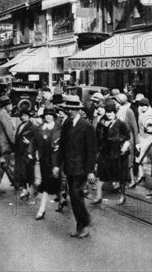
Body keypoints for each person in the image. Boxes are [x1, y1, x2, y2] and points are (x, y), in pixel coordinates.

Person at [53, 95, 97, 239]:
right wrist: (57, 165)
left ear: (78, 110)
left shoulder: (86, 126)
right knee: (74, 196)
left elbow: (91, 150)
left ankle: (83, 224)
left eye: (73, 109)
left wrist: (90, 171)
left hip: (81, 168)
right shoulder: (66, 124)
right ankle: (82, 223)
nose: (70, 111)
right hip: (69, 167)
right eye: (68, 109)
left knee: (76, 196)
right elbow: (62, 146)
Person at [93, 100, 130, 205]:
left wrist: (125, 145)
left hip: (117, 153)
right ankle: (98, 196)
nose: (109, 114)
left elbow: (127, 136)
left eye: (112, 112)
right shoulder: (101, 123)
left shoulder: (120, 124)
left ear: (115, 113)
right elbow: (98, 138)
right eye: (108, 112)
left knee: (120, 176)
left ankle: (122, 196)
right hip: (105, 152)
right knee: (100, 175)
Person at [33, 106, 61, 220]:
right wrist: (32, 153)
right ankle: (42, 208)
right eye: (46, 115)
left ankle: (60, 200)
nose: (48, 116)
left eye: (50, 115)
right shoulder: (40, 128)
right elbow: (34, 141)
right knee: (46, 183)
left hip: (56, 160)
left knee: (57, 182)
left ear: (54, 116)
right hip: (44, 160)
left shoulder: (59, 127)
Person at [133, 98, 152, 188]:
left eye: (144, 106)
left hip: (151, 139)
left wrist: (151, 127)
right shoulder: (141, 112)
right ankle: (141, 175)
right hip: (142, 137)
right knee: (139, 157)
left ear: (148, 106)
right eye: (141, 106)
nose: (142, 107)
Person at [0, 95, 15, 193]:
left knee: (7, 165)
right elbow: (9, 132)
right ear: (6, 106)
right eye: (10, 104)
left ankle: (16, 182)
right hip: (4, 145)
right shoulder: (5, 116)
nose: (11, 106)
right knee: (1, 166)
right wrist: (15, 144)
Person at [114, 93, 139, 186]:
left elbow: (135, 127)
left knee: (128, 161)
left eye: (115, 100)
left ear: (120, 102)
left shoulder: (129, 111)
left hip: (128, 139)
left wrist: (137, 142)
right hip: (118, 138)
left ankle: (132, 180)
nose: (114, 102)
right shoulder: (116, 111)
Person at [13, 107, 36, 199]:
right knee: (21, 172)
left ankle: (29, 189)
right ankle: (25, 190)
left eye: (26, 115)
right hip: (19, 152)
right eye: (22, 115)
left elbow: (35, 139)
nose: (24, 117)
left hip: (27, 152)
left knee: (26, 172)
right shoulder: (20, 125)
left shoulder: (32, 127)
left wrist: (29, 143)